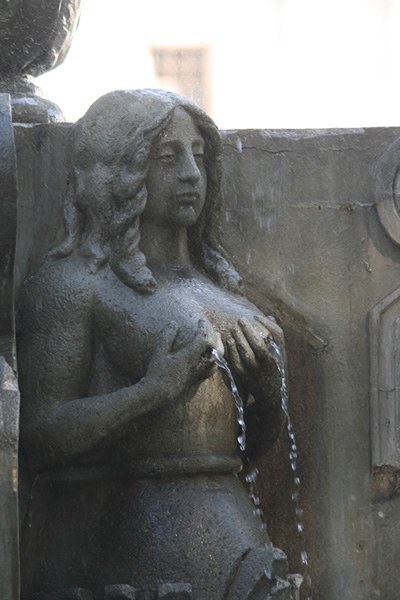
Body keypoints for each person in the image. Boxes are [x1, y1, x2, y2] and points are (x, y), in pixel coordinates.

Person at [18, 89, 288, 600]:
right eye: (169, 157)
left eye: (199, 156)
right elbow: (38, 435)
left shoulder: (221, 291)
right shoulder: (77, 284)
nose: (191, 173)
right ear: (121, 172)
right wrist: (151, 393)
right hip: (123, 557)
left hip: (240, 551)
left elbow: (241, 455)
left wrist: (268, 397)